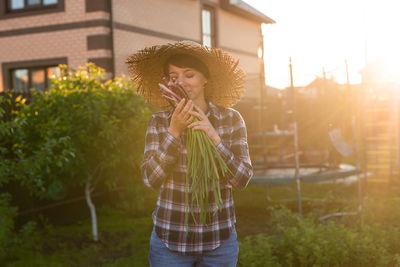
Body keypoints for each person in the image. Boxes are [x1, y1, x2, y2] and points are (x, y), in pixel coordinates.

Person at [126, 40, 253, 267]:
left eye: (189, 74)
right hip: (170, 240)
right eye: (174, 77)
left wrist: (214, 137)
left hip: (218, 239)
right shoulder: (159, 122)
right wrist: (173, 133)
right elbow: (149, 179)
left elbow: (242, 179)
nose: (181, 82)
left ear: (206, 78)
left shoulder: (231, 119)